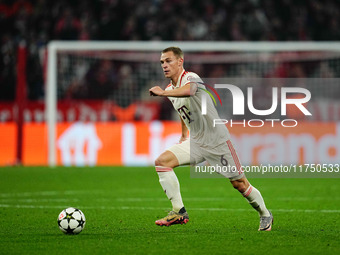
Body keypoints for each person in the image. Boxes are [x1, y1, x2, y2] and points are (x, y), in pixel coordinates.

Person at [149, 47, 273, 231]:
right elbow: (183, 110)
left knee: (239, 184)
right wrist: (184, 135)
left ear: (180, 61)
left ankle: (265, 214)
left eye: (168, 61)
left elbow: (190, 91)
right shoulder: (170, 89)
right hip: (196, 142)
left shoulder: (191, 78)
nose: (164, 65)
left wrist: (162, 93)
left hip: (217, 141)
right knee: (162, 162)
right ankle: (179, 211)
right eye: (162, 62)